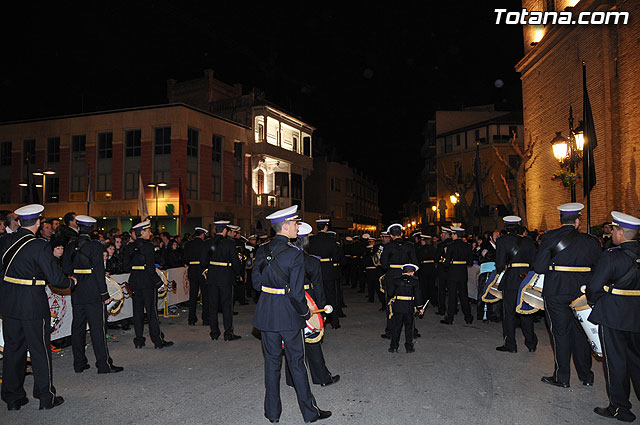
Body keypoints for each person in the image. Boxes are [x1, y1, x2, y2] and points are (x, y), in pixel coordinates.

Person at [252, 206, 331, 423]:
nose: (297, 226)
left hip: (267, 314)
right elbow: (297, 293)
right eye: (295, 223)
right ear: (285, 226)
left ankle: (272, 413)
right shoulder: (295, 254)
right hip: (289, 316)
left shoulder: (262, 249)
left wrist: (272, 290)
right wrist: (306, 313)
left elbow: (256, 284)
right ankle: (309, 412)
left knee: (271, 363)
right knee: (297, 363)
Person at [0, 204, 77, 410]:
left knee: (12, 350)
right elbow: (55, 278)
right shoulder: (40, 246)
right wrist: (71, 283)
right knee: (39, 350)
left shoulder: (6, 241)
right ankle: (45, 397)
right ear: (37, 222)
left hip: (9, 303)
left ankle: (13, 398)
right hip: (32, 303)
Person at [533, 202, 601, 388]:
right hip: (582, 293)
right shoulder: (590, 241)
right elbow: (599, 269)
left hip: (556, 291)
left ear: (561, 219)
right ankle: (586, 376)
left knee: (560, 333)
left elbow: (539, 267)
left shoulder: (550, 238)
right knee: (581, 333)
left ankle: (562, 377)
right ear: (578, 221)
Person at [588, 211, 640, 422]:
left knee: (616, 362)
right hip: (637, 314)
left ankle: (620, 408)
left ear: (620, 232)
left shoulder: (612, 256)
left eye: (614, 230)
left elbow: (593, 287)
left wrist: (595, 301)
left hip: (614, 315)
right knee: (637, 360)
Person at [62, 215, 123, 374]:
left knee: (78, 328)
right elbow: (99, 272)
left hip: (77, 292)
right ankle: (103, 365)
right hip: (93, 293)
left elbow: (66, 269)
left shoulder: (70, 245)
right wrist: (104, 294)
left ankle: (79, 363)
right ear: (91, 230)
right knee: (98, 329)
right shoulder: (95, 246)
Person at [285, 222, 340, 387]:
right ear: (305, 242)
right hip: (308, 301)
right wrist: (321, 310)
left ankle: (292, 379)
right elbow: (319, 288)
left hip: (288, 300)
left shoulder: (284, 260)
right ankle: (322, 378)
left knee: (291, 340)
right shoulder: (312, 262)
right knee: (313, 340)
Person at [127, 220, 173, 349]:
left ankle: (139, 341)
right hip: (147, 282)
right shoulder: (148, 246)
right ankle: (157, 341)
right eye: (148, 230)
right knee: (152, 312)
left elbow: (125, 265)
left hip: (135, 281)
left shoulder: (129, 247)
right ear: (142, 232)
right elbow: (150, 269)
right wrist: (159, 283)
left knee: (137, 313)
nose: (150, 233)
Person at [494, 216, 538, 353]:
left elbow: (500, 264)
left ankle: (511, 344)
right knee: (525, 311)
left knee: (509, 313)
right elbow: (535, 263)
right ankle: (531, 343)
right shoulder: (529, 242)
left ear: (506, 227)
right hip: (525, 279)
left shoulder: (502, 241)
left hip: (511, 279)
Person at [201, 220, 242, 341]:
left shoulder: (208, 243)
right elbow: (235, 262)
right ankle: (228, 333)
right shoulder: (230, 243)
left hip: (212, 277)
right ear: (225, 230)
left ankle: (214, 333)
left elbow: (203, 262)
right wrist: (238, 273)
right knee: (227, 307)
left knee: (213, 306)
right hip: (226, 277)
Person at [380, 224, 417, 338]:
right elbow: (415, 262)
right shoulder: (410, 246)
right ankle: (412, 331)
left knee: (391, 303)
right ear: (401, 234)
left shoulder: (388, 247)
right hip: (407, 276)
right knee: (410, 302)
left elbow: (384, 265)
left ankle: (390, 331)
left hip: (392, 277)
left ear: (391, 235)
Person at [308, 218, 343, 329]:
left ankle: (317, 321)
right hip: (328, 270)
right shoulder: (331, 240)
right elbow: (337, 257)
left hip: (314, 270)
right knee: (331, 296)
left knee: (316, 296)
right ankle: (334, 322)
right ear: (326, 227)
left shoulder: (311, 240)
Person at [387, 264, 424, 353]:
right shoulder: (415, 282)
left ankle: (394, 347)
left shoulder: (396, 280)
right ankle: (409, 347)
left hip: (398, 306)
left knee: (396, 327)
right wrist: (420, 308)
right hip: (409, 307)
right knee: (409, 328)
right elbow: (418, 296)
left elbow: (390, 293)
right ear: (411, 272)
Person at [441, 226, 474, 325]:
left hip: (453, 273)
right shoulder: (467, 246)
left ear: (455, 234)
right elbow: (470, 262)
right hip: (463, 273)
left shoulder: (450, 246)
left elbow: (446, 263)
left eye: (452, 234)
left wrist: (446, 263)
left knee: (452, 296)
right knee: (464, 295)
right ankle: (468, 317)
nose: (451, 236)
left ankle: (450, 318)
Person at [184, 227, 209, 326]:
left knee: (193, 295)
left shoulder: (188, 244)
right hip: (203, 270)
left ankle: (191, 319)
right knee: (205, 295)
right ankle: (206, 318)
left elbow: (185, 258)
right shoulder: (204, 244)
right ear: (202, 234)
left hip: (192, 270)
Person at [435, 227, 453, 316]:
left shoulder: (441, 244)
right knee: (452, 291)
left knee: (441, 290)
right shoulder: (453, 243)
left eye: (442, 234)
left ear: (446, 235)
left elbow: (437, 257)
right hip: (452, 270)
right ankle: (453, 309)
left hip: (442, 270)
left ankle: (441, 309)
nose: (441, 236)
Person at [416, 234, 437, 307]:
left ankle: (424, 301)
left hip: (423, 268)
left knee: (424, 286)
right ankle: (434, 301)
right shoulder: (434, 249)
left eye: (422, 240)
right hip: (432, 268)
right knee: (432, 285)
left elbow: (418, 259)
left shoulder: (420, 249)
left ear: (424, 241)